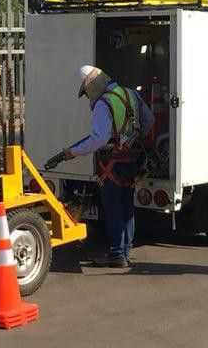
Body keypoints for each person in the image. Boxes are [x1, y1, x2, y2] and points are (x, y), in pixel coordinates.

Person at [51, 66, 153, 269]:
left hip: (112, 163)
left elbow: (98, 139)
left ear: (93, 85)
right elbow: (149, 121)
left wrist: (73, 152)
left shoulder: (103, 104)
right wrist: (134, 137)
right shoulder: (130, 93)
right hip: (132, 160)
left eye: (87, 91)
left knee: (114, 207)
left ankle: (117, 254)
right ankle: (125, 250)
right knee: (126, 205)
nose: (88, 95)